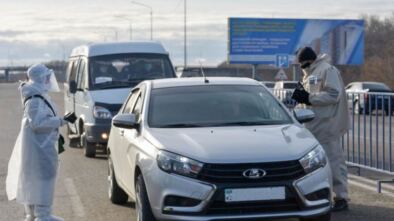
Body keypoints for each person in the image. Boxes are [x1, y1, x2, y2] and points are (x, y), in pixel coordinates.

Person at [6, 64, 76, 221]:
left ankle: (34, 215)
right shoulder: (35, 99)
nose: (48, 80)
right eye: (46, 77)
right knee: (44, 179)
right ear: (39, 78)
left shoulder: (37, 95)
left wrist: (60, 120)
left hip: (40, 146)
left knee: (35, 180)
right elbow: (38, 123)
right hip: (40, 149)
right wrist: (62, 120)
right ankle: (42, 215)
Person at [292, 47, 350, 212]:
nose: (301, 67)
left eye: (301, 64)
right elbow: (310, 99)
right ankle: (318, 194)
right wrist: (300, 100)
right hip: (313, 125)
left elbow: (333, 95)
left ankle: (341, 197)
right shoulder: (310, 73)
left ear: (308, 60)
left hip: (328, 125)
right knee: (314, 165)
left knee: (334, 162)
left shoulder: (327, 70)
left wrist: (308, 97)